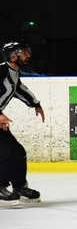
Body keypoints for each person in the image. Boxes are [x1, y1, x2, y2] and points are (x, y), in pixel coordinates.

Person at [0, 40, 44, 206]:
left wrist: (35, 104)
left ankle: (19, 187)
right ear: (13, 56)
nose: (28, 55)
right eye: (24, 52)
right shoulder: (1, 71)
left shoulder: (13, 72)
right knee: (7, 151)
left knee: (17, 151)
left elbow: (19, 89)